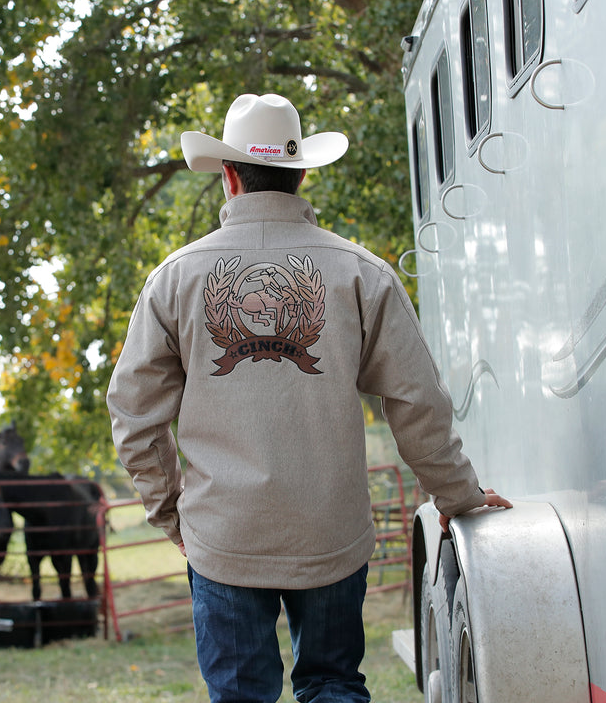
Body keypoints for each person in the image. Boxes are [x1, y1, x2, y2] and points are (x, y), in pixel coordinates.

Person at [106, 93, 511, 703]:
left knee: (241, 695)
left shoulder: (175, 278)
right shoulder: (362, 272)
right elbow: (417, 401)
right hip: (331, 532)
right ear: (300, 173)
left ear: (229, 176)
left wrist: (172, 513)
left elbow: (135, 416)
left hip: (224, 538)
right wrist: (457, 494)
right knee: (331, 685)